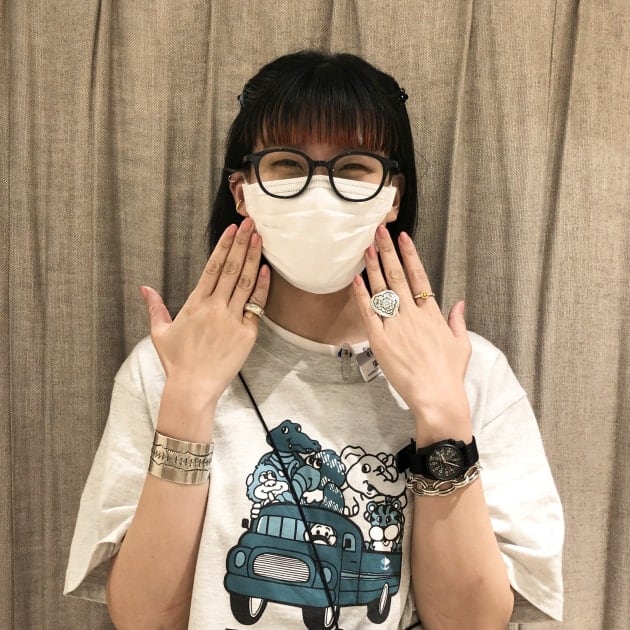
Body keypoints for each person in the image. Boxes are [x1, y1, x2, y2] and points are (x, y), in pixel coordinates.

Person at [64, 51, 564, 630]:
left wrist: (442, 413)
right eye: (285, 163)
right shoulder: (166, 365)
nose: (318, 191)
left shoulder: (472, 371)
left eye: (354, 167)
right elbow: (144, 620)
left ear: (394, 194)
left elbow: (471, 624)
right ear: (241, 190)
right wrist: (189, 398)